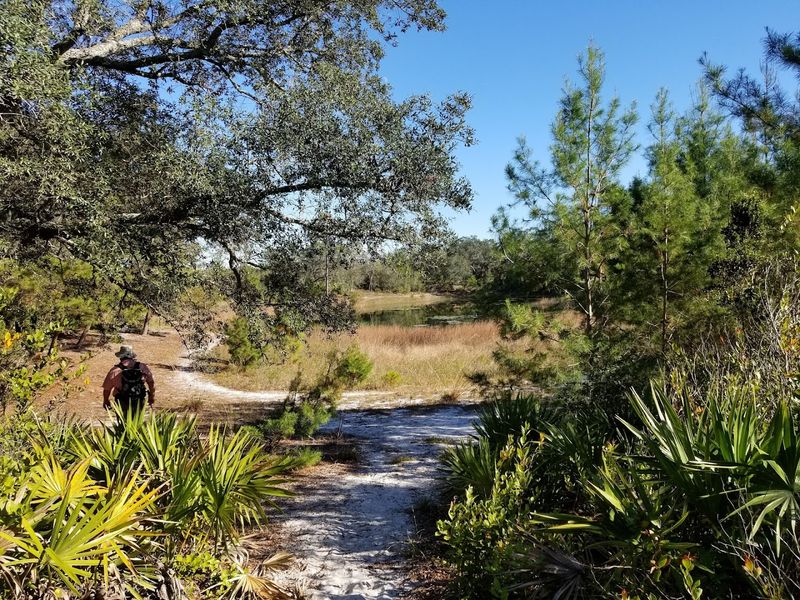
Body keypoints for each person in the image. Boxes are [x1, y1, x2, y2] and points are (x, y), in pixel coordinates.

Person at [102, 345, 155, 416]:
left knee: (123, 423)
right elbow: (151, 383)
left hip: (122, 401)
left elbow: (107, 389)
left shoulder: (115, 370)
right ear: (132, 356)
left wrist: (106, 401)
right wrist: (151, 396)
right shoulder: (142, 367)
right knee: (137, 422)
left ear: (121, 357)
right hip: (139, 400)